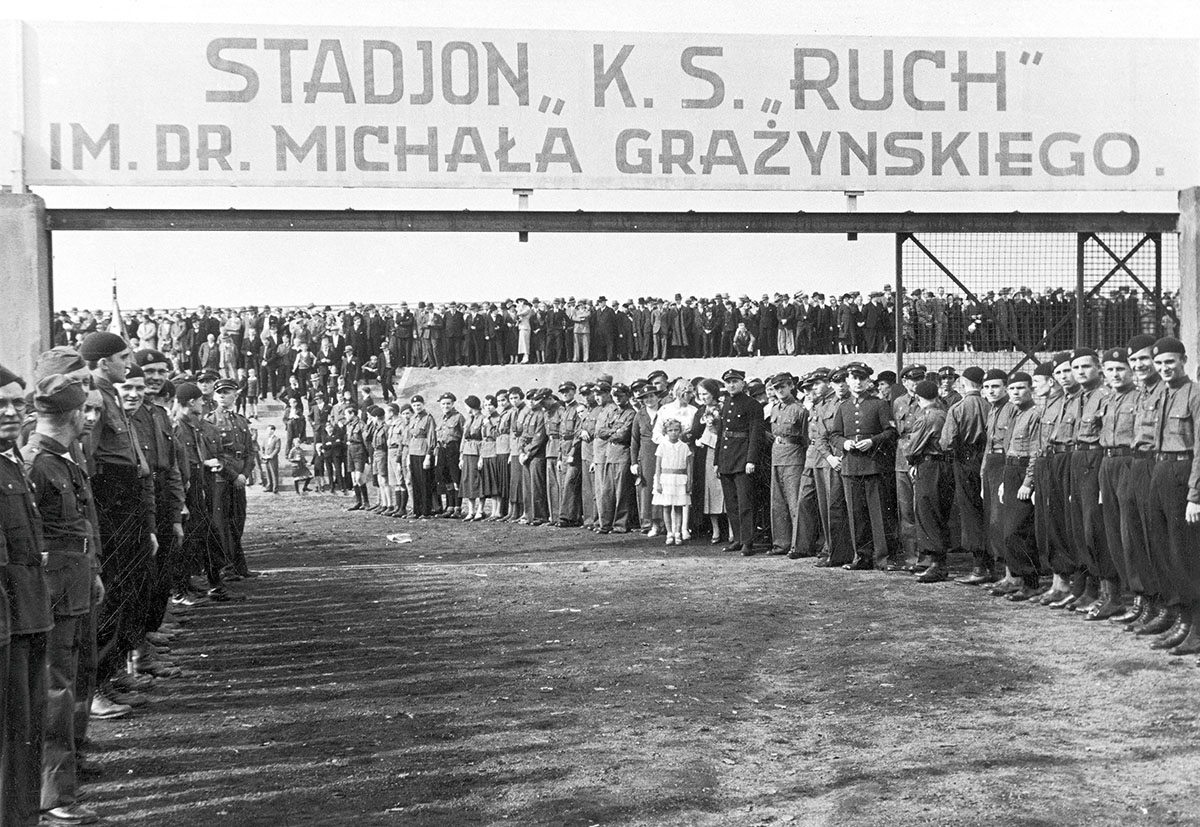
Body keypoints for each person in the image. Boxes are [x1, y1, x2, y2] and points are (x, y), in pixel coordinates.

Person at [0, 365, 54, 827]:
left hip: (28, 616)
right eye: (1, 404)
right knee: (9, 739)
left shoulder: (11, 460)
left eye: (19, 403)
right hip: (6, 626)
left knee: (24, 735)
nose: (12, 412)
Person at [830, 362, 897, 571]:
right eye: (853, 379)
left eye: (862, 379)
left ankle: (883, 558)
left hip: (874, 465)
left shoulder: (879, 405)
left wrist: (872, 442)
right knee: (856, 515)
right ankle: (862, 557)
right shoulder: (843, 407)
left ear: (869, 382)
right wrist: (845, 443)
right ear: (848, 381)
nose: (857, 383)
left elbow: (891, 432)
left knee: (878, 514)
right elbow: (834, 435)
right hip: (851, 467)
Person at [906, 380, 954, 583]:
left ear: (918, 397)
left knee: (927, 511)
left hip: (930, 465)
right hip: (943, 465)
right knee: (938, 511)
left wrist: (912, 460)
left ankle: (936, 564)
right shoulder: (944, 411)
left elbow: (912, 448)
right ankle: (936, 562)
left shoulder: (927, 417)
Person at [715, 369, 764, 555]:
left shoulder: (752, 405)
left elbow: (755, 435)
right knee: (731, 504)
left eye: (735, 381)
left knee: (745, 504)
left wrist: (751, 460)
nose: (731, 385)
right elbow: (722, 434)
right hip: (727, 460)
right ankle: (737, 539)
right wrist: (717, 461)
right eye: (728, 382)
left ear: (743, 383)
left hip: (743, 460)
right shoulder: (726, 404)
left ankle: (747, 542)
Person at [765, 373, 806, 556]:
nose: (779, 391)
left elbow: (805, 439)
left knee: (794, 502)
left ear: (791, 386)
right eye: (776, 388)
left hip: (794, 457)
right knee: (778, 502)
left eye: (783, 386)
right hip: (777, 456)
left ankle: (797, 545)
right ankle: (781, 543)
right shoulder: (774, 409)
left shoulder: (800, 409)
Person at [653, 418, 693, 545]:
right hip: (666, 479)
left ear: (680, 431)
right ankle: (669, 533)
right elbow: (658, 466)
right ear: (666, 432)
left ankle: (677, 532)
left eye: (676, 430)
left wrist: (689, 482)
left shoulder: (684, 447)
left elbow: (689, 467)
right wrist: (658, 483)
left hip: (680, 479)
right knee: (666, 506)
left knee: (678, 507)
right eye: (670, 430)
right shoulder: (662, 446)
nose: (673, 433)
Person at [458, 396, 484, 520]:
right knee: (468, 481)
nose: (465, 408)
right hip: (467, 452)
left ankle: (480, 510)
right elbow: (464, 438)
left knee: (478, 481)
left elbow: (484, 440)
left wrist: (481, 458)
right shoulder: (469, 419)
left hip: (477, 452)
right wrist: (461, 456)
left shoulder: (483, 419)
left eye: (466, 406)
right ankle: (471, 510)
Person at [260, 424, 281, 493]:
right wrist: (263, 455)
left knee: (274, 473)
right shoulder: (265, 438)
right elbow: (262, 448)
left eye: (268, 429)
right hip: (266, 459)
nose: (267, 431)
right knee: (267, 473)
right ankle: (269, 486)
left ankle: (275, 488)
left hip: (273, 459)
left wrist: (271, 456)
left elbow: (277, 449)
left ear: (272, 430)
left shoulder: (277, 439)